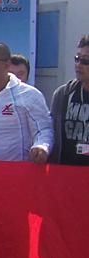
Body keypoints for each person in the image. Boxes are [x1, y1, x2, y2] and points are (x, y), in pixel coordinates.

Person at [49, 35, 89, 166]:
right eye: (77, 58)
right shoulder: (63, 94)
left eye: (85, 61)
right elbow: (51, 133)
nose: (78, 65)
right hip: (66, 172)